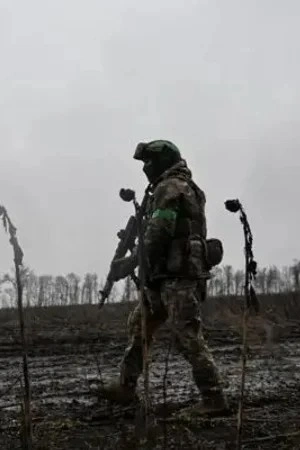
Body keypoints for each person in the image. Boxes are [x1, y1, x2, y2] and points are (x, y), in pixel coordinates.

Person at [94, 139, 229, 417]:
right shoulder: (173, 186)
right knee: (139, 326)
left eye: (148, 162)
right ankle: (126, 387)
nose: (145, 168)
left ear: (162, 162)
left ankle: (214, 398)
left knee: (187, 335)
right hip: (163, 275)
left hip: (177, 276)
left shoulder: (171, 187)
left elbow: (160, 230)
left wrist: (131, 262)